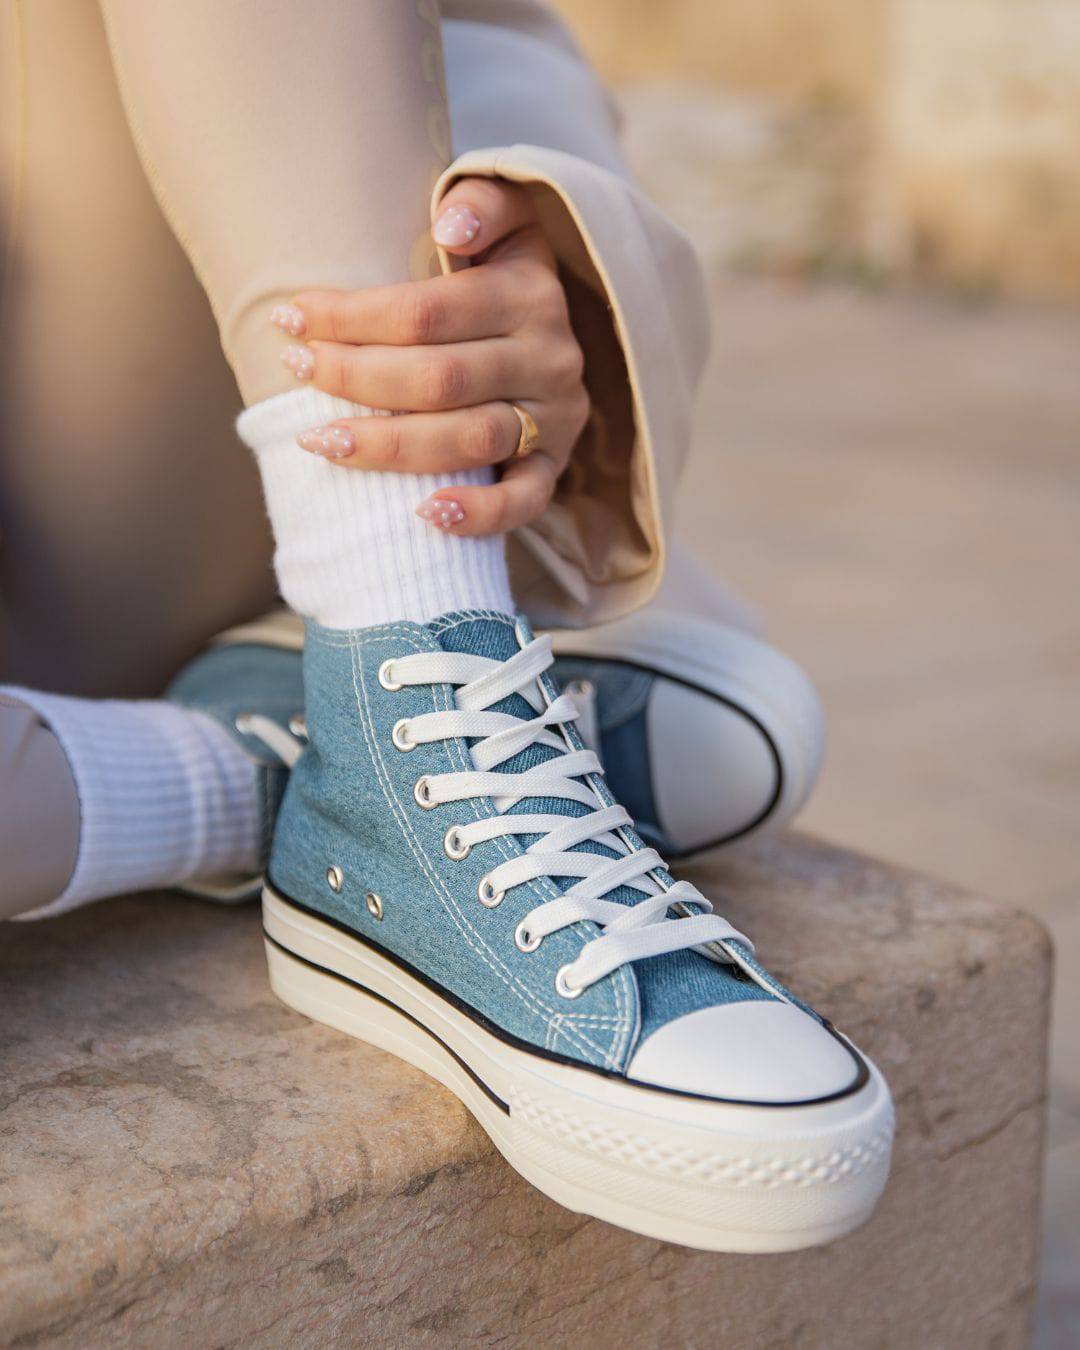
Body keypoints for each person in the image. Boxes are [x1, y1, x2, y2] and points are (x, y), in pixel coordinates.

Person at [0, 0, 892, 1250]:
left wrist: (519, 270)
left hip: (120, 422)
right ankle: (270, 768)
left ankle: (408, 629)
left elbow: (479, 21)